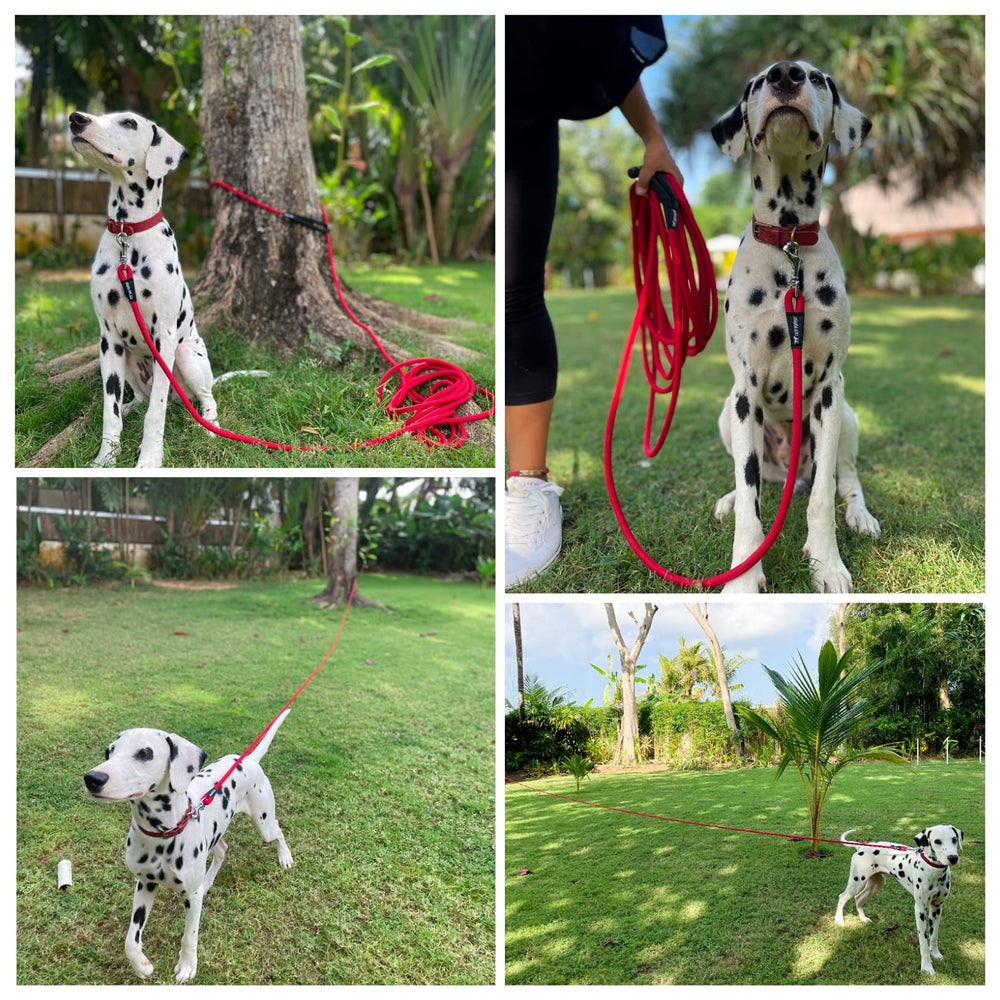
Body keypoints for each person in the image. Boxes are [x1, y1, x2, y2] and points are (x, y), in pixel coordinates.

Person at [505, 16, 685, 588]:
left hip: (526, 108)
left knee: (516, 293)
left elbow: (598, 40)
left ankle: (528, 485)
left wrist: (653, 137)